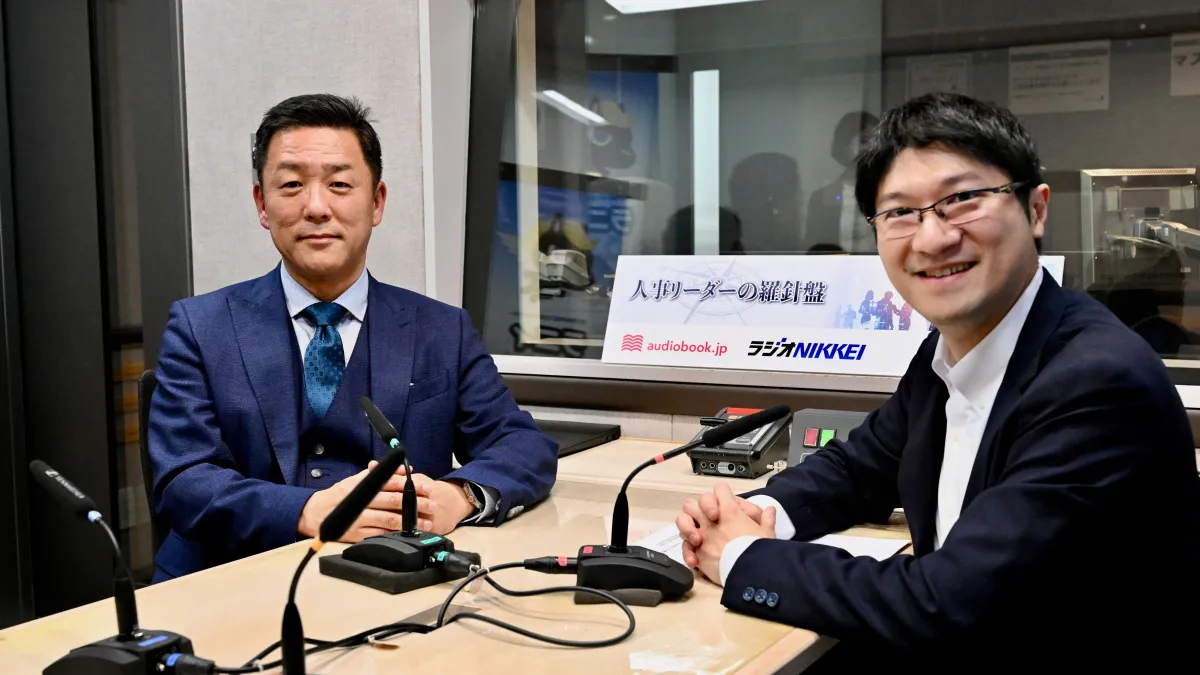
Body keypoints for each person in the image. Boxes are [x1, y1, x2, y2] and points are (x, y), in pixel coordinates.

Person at [674, 93, 1200, 668]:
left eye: (963, 199)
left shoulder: (1096, 382)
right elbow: (860, 467)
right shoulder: (952, 348)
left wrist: (743, 557)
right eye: (900, 212)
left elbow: (947, 604)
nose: (932, 238)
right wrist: (759, 512)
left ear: (1035, 209)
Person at [148, 94, 557, 581]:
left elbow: (522, 445)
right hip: (230, 581)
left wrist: (458, 496)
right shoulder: (200, 326)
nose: (316, 207)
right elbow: (182, 479)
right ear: (262, 204)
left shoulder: (441, 329)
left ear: (376, 202)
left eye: (339, 184)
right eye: (291, 185)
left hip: (392, 583)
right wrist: (306, 510)